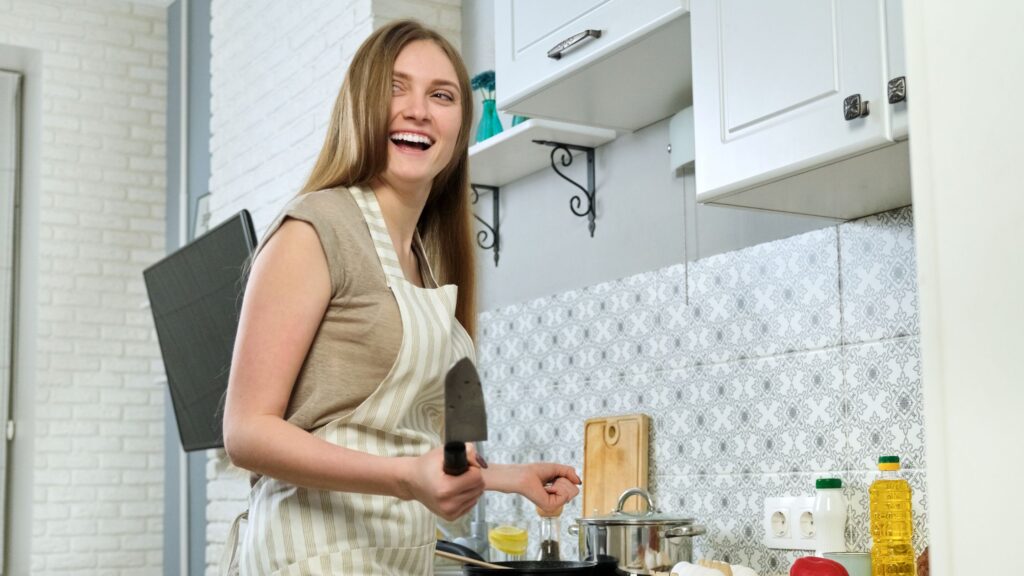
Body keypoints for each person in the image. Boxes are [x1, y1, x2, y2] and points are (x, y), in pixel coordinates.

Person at [220, 20, 581, 575]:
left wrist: (504, 478)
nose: (419, 109)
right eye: (396, 87)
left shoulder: (422, 263)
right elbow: (246, 432)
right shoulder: (316, 228)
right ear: (362, 105)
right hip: (311, 557)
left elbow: (403, 446)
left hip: (393, 558)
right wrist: (404, 478)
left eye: (441, 95)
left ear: (459, 129)